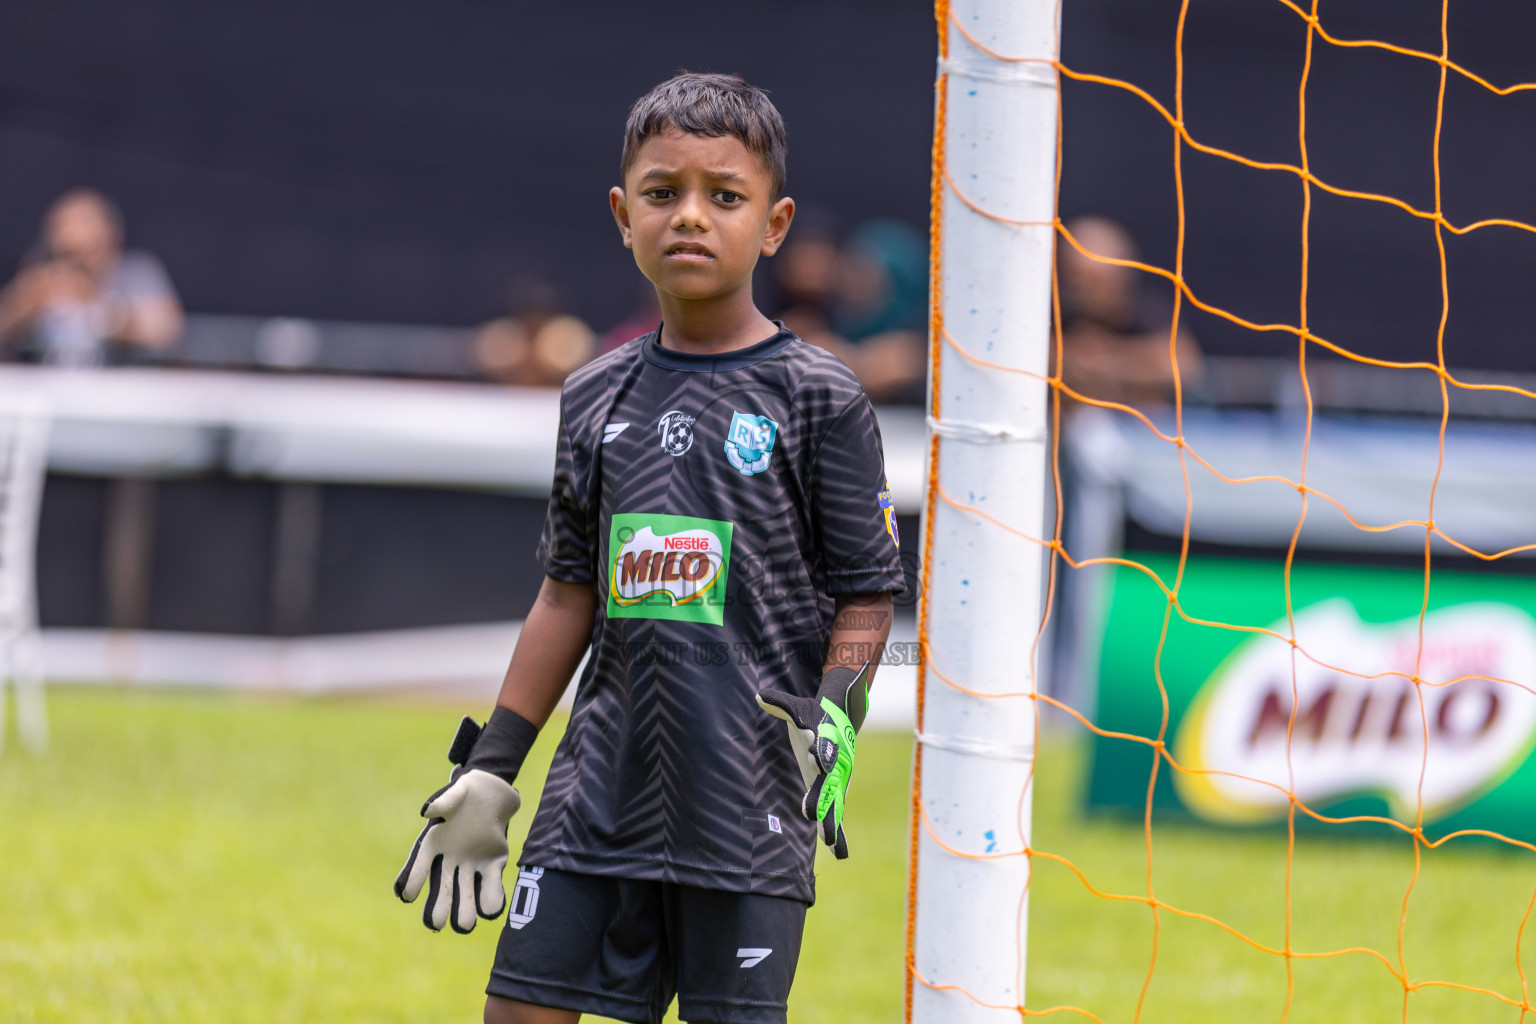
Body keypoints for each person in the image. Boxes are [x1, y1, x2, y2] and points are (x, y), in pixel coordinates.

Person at [393, 72, 905, 1024]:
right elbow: (565, 595)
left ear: (776, 223)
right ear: (624, 216)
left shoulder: (818, 396)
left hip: (746, 806)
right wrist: (491, 766)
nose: (691, 218)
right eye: (663, 194)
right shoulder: (593, 394)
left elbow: (869, 594)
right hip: (595, 797)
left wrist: (834, 717)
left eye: (725, 196)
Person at [0, 188, 183, 366]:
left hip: (120, 388)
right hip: (44, 390)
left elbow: (167, 330)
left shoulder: (135, 272)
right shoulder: (39, 276)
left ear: (111, 239)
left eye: (87, 251)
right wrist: (25, 304)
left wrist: (97, 304)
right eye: (67, 252)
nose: (76, 263)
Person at [1056, 215, 1202, 409]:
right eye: (1076, 278)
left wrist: (1109, 361)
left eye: (1096, 280)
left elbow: (1184, 365)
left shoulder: (1144, 309)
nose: (1082, 288)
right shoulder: (1049, 309)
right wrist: (1068, 358)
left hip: (1135, 421)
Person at [473, 277, 596, 387]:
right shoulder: (502, 341)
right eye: (529, 318)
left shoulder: (568, 340)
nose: (535, 323)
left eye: (541, 318)